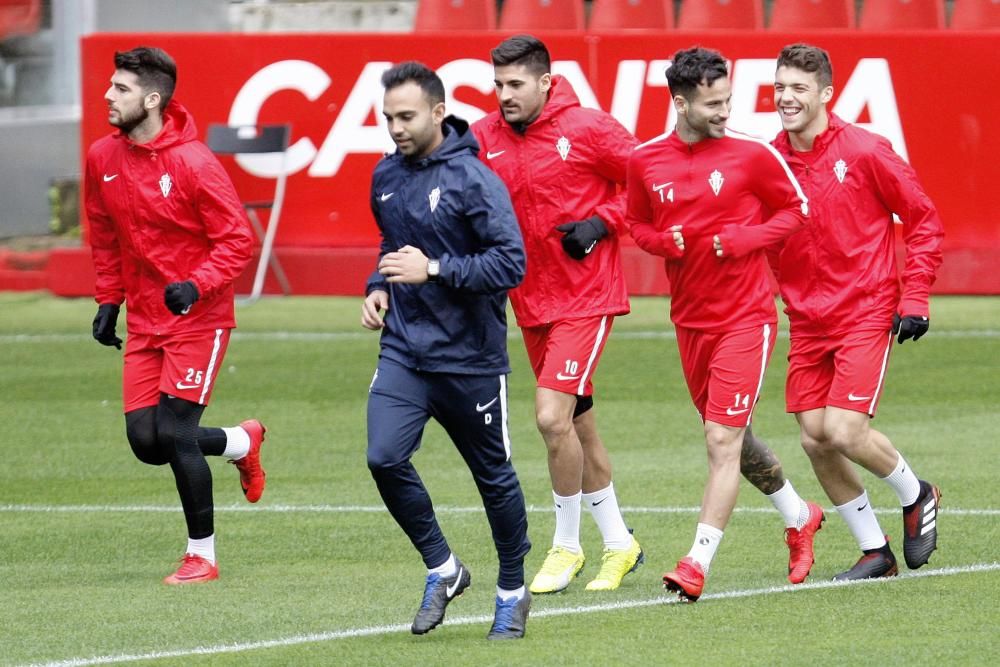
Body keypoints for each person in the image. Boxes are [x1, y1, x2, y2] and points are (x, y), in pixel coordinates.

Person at [626, 47, 815, 601]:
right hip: (689, 321)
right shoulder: (645, 161)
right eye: (712, 103)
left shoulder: (752, 155)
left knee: (720, 438)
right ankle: (800, 515)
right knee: (738, 440)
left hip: (746, 318)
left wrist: (744, 240)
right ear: (680, 102)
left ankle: (695, 563)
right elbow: (635, 221)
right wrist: (661, 242)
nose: (723, 111)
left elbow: (796, 210)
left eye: (727, 99)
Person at [362, 61, 531, 640]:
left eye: (406, 116)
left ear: (438, 112)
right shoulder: (384, 175)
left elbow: (510, 264)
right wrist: (378, 287)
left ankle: (512, 590)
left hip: (471, 359)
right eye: (388, 118)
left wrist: (432, 269)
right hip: (405, 351)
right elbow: (391, 245)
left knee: (493, 478)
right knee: (383, 457)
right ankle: (444, 567)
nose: (396, 128)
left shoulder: (474, 179)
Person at [86, 46, 267, 585]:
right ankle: (241, 441)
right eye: (110, 86)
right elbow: (104, 236)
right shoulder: (102, 157)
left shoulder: (193, 163)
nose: (108, 96)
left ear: (152, 98)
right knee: (147, 442)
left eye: (120, 89)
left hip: (198, 319)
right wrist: (108, 300)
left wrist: (196, 285)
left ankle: (202, 557)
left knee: (178, 432)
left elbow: (237, 241)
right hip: (144, 319)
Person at [471, 34, 644, 595]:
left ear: (546, 82)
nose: (504, 95)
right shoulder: (483, 137)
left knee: (550, 418)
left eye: (515, 84)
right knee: (576, 427)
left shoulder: (589, 128)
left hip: (587, 297)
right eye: (498, 84)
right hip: (531, 302)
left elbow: (647, 183)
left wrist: (602, 222)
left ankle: (565, 546)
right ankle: (619, 543)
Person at [770, 43, 944, 580]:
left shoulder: (866, 150)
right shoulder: (769, 161)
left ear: (825, 93)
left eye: (798, 88)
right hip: (806, 318)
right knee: (815, 439)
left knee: (844, 430)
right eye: (779, 87)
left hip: (865, 309)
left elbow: (923, 220)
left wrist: (914, 296)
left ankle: (917, 494)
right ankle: (876, 550)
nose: (786, 98)